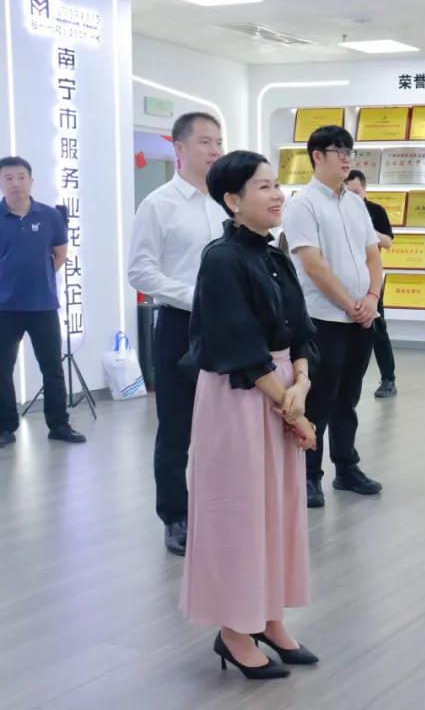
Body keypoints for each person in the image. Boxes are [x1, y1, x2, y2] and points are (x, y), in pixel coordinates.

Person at [179, 150, 319, 680]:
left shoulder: (276, 255)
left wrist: (301, 384)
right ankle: (234, 631)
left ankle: (269, 616)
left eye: (277, 184)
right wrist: (292, 409)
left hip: (282, 393)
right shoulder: (221, 259)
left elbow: (301, 329)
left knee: (277, 510)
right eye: (263, 186)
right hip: (241, 399)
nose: (277, 194)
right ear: (233, 200)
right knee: (239, 513)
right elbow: (237, 345)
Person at [128, 111, 226, 556]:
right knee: (176, 428)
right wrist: (196, 297)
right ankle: (175, 516)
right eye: (205, 142)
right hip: (178, 326)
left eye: (218, 142)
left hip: (229, 328)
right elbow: (140, 271)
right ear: (180, 148)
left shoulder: (228, 201)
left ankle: (219, 508)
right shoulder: (158, 205)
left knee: (226, 425)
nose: (215, 151)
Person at [284, 126, 383, 509]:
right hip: (323, 319)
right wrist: (350, 304)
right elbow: (313, 265)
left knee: (349, 399)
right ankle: (309, 476)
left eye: (349, 152)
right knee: (319, 401)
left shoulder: (355, 203)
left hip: (361, 318)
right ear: (317, 156)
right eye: (338, 151)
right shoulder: (303, 204)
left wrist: (371, 298)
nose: (346, 158)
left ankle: (347, 468)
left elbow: (373, 256)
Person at [0, 156, 84, 447]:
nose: (15, 183)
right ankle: (5, 427)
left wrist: (38, 279)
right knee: (2, 371)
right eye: (8, 178)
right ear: (1, 183)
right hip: (4, 309)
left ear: (31, 180)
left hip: (43, 306)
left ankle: (59, 425)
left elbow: (60, 255)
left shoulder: (50, 216)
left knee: (52, 369)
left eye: (21, 177)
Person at [345, 169, 398, 399]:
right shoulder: (338, 210)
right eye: (348, 192)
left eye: (356, 191)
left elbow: (387, 242)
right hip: (344, 278)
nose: (352, 196)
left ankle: (388, 378)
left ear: (365, 188)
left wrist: (367, 229)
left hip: (370, 279)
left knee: (377, 328)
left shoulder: (375, 210)